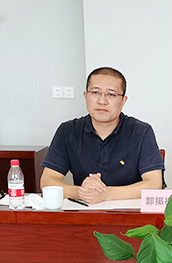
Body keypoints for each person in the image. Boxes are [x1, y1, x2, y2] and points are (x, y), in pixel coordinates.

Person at [40, 67, 164, 203]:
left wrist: (105, 194)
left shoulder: (141, 132)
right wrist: (80, 192)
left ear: (123, 100)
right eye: (95, 92)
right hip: (86, 210)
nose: (102, 101)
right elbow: (48, 181)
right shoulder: (68, 131)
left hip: (130, 211)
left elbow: (154, 183)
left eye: (111, 94)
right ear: (85, 96)